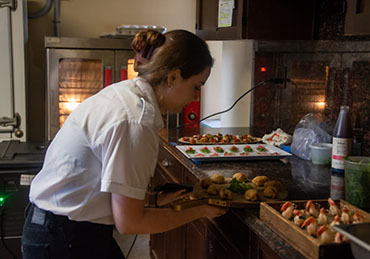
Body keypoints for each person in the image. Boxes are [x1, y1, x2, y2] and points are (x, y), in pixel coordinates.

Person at [22, 29, 227, 259]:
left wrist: (154, 200)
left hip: (63, 228)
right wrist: (200, 211)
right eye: (196, 87)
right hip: (62, 237)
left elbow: (102, 183)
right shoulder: (135, 120)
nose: (196, 97)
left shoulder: (126, 95)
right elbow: (130, 223)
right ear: (173, 77)